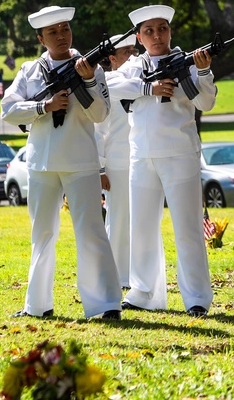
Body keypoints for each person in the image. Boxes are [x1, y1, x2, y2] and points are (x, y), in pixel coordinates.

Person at [1, 5, 122, 320]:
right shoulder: (29, 71)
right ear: (41, 38)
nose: (60, 36)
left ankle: (106, 304)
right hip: (42, 162)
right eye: (52, 32)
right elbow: (8, 109)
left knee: (91, 231)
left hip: (80, 161)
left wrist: (89, 83)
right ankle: (37, 305)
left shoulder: (90, 68)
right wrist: (45, 105)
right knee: (42, 233)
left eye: (65, 29)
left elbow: (100, 115)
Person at [108, 5, 215, 317]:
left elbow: (205, 101)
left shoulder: (188, 63)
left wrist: (204, 71)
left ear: (170, 31)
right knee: (141, 227)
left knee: (188, 228)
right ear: (140, 38)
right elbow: (109, 86)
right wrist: (147, 87)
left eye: (162, 29)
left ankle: (196, 298)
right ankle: (143, 293)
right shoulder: (133, 66)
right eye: (149, 31)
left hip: (180, 153)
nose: (157, 36)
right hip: (142, 155)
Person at [94, 32, 138, 289]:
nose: (133, 56)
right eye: (127, 52)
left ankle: (136, 274)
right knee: (118, 219)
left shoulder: (140, 78)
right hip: (118, 162)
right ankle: (117, 276)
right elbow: (99, 129)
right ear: (112, 58)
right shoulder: (107, 84)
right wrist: (100, 168)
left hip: (142, 160)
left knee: (140, 220)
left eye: (135, 50)